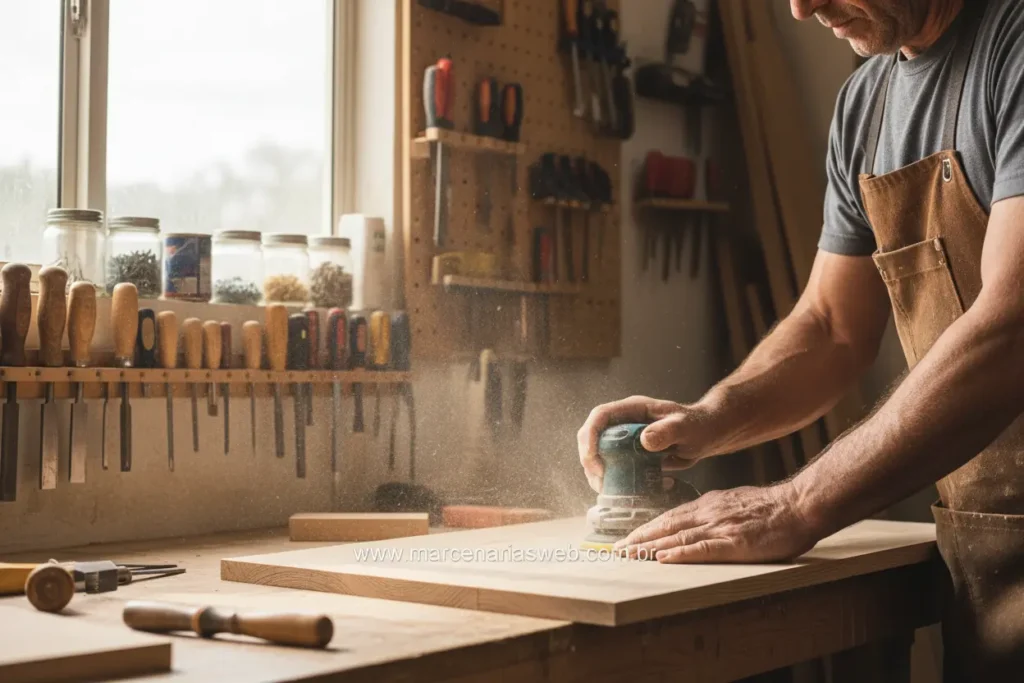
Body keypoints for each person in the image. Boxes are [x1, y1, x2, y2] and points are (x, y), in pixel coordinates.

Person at [577, 0, 1024, 678]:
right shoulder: (866, 104)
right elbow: (832, 327)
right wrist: (706, 421)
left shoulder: (1012, 48)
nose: (801, 6)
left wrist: (796, 502)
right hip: (989, 563)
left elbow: (1012, 324)